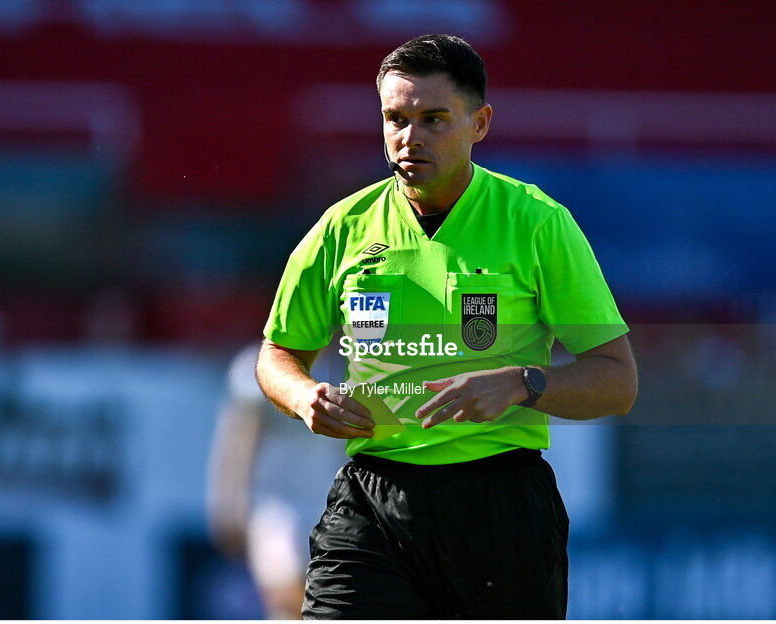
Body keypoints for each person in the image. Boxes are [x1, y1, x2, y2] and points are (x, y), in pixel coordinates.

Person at [256, 34, 638, 619]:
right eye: (396, 119)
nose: (410, 138)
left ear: (479, 123)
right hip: (372, 496)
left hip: (499, 504)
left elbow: (617, 381)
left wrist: (522, 383)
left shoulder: (536, 224)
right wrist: (305, 396)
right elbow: (277, 355)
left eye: (434, 119)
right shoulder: (343, 228)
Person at [207, 343, 347, 619]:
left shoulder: (353, 369)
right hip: (276, 504)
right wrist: (227, 502)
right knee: (286, 596)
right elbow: (238, 441)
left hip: (336, 504)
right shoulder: (257, 368)